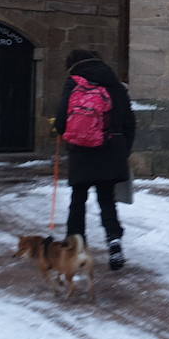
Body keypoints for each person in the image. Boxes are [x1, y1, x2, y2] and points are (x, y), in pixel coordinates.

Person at [55, 49, 135, 270]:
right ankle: (114, 240)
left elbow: (62, 120)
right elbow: (129, 122)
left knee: (77, 199)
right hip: (111, 149)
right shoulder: (115, 85)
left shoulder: (74, 83)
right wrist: (123, 150)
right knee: (106, 199)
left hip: (82, 150)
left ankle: (75, 246)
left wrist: (66, 133)